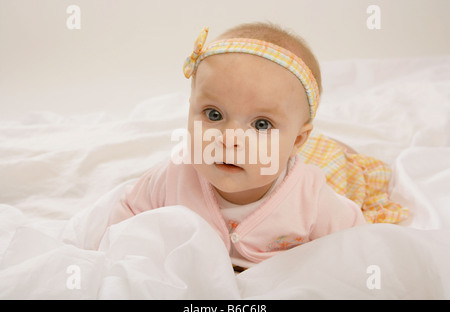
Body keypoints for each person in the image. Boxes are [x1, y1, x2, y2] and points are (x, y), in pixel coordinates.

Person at [111, 22, 408, 269]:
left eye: (261, 125)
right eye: (214, 115)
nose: (229, 139)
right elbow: (128, 212)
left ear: (297, 140)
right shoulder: (173, 176)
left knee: (344, 171)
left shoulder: (312, 199)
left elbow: (356, 246)